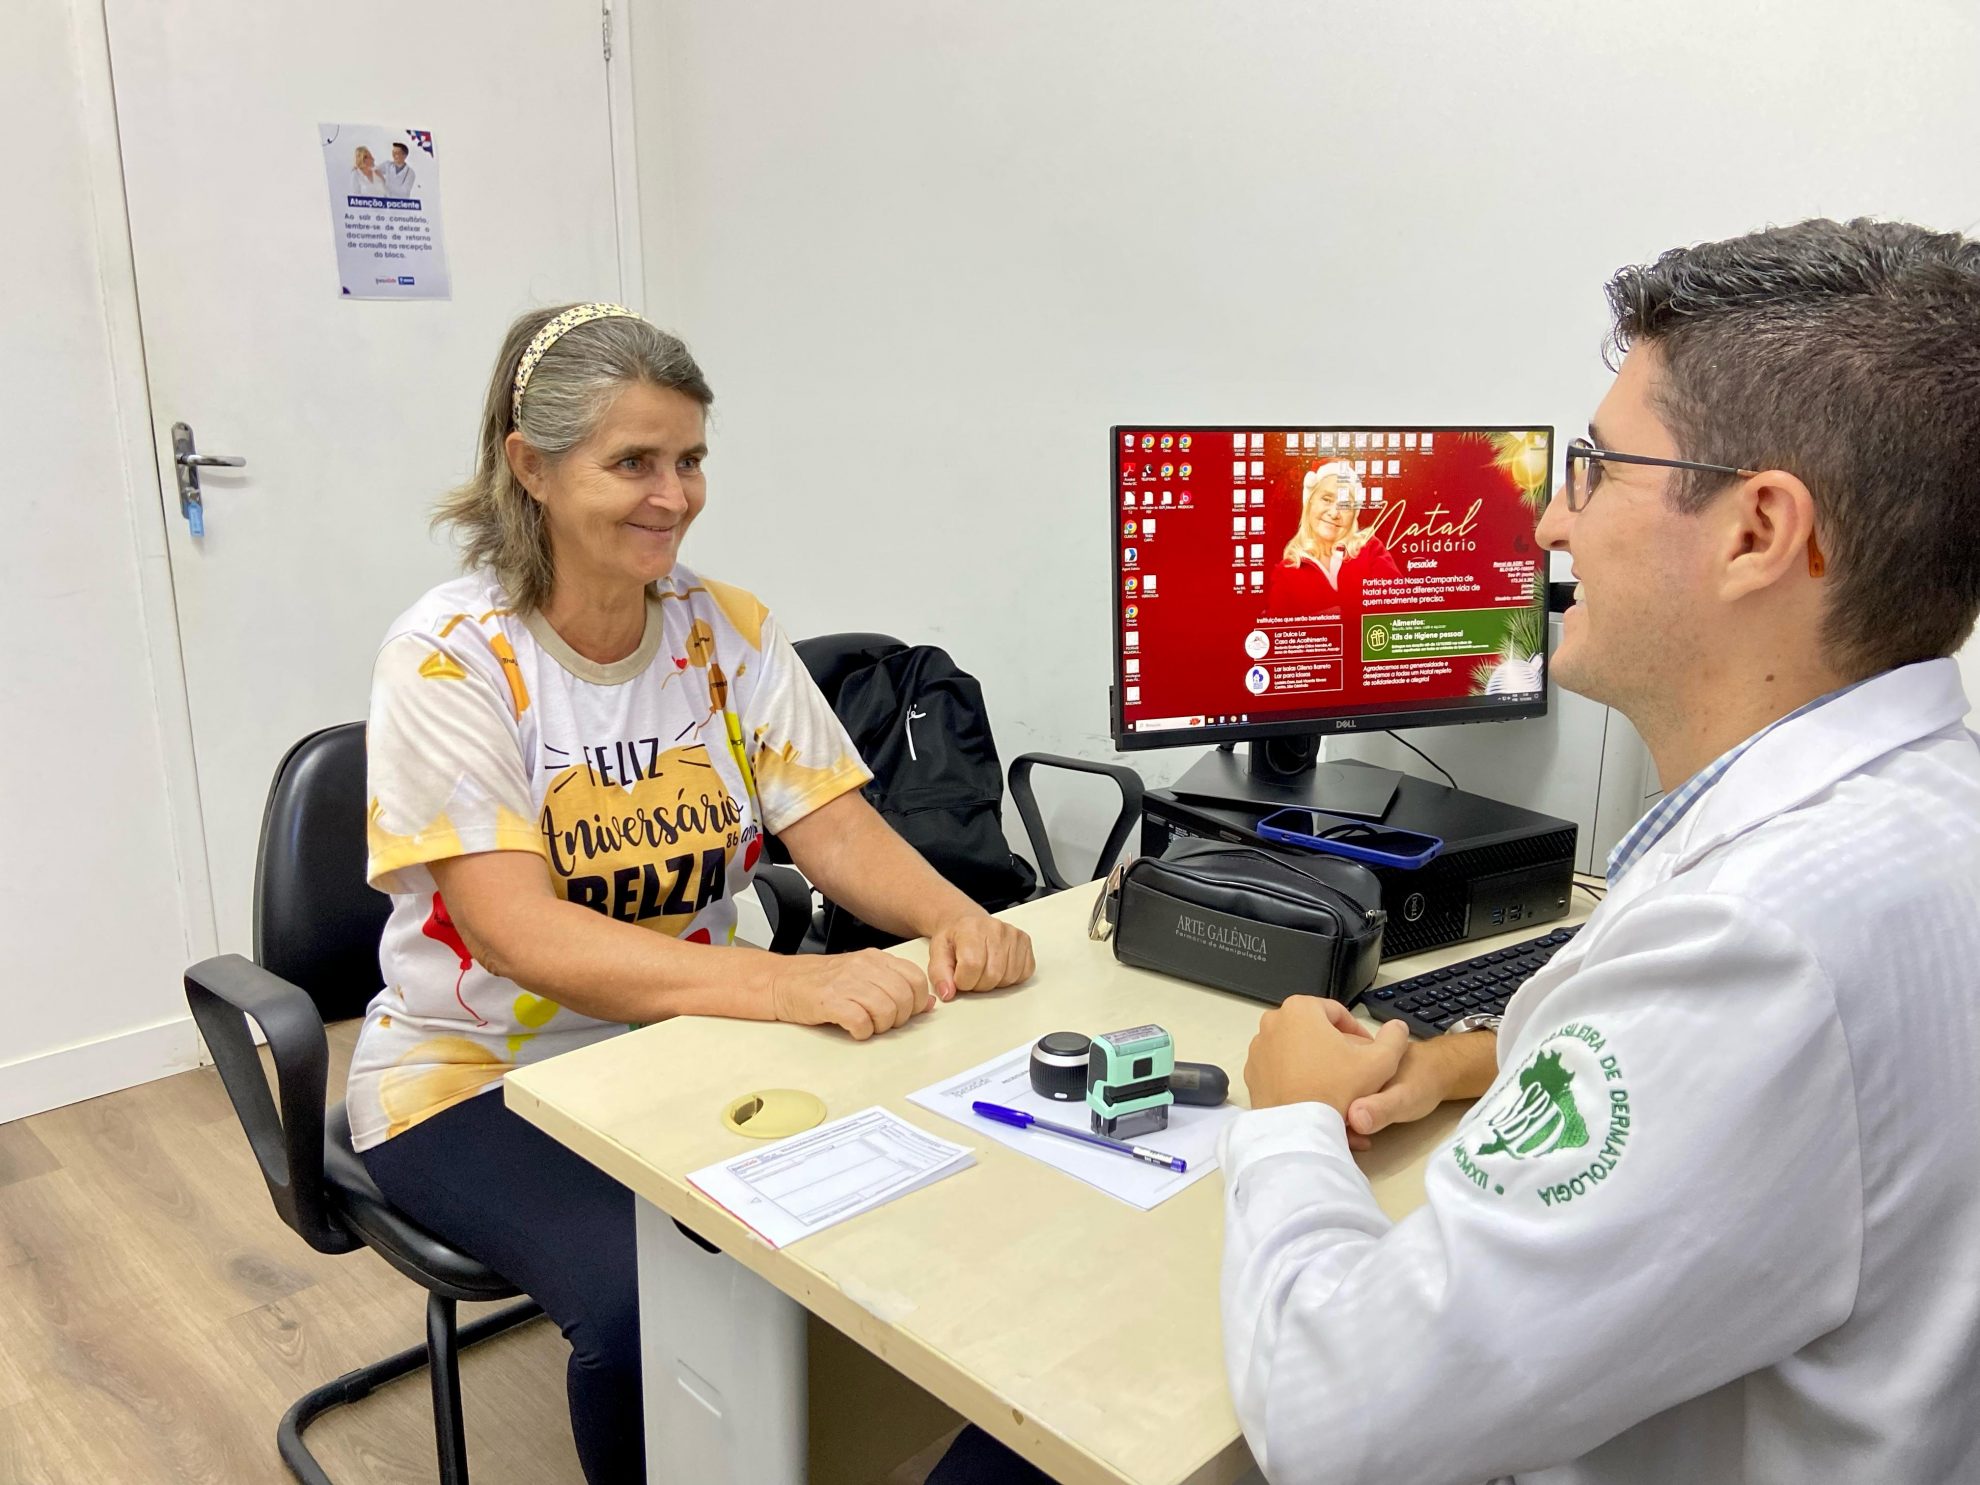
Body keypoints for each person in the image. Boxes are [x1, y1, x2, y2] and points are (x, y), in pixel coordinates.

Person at [931, 216, 1980, 1485]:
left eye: (1597, 468)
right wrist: (1459, 1062)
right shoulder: (1916, 817)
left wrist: (1294, 1124)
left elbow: (1339, 1421)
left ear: (1758, 530)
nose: (1547, 525)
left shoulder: (1761, 949)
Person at [351, 302, 1035, 1485]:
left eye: (691, 459)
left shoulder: (724, 630)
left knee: (923, 1192)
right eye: (634, 463)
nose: (674, 495)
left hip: (687, 1049)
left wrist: (955, 918)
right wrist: (791, 985)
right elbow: (516, 934)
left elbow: (831, 821)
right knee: (644, 1314)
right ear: (532, 467)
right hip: (474, 1082)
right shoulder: (453, 655)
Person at [1267, 460, 1401, 616]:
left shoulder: (1370, 549)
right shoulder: (1287, 571)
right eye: (1326, 499)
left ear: (1354, 514)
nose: (1334, 513)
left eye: (1345, 505)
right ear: (1309, 502)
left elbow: (1397, 610)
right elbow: (1282, 632)